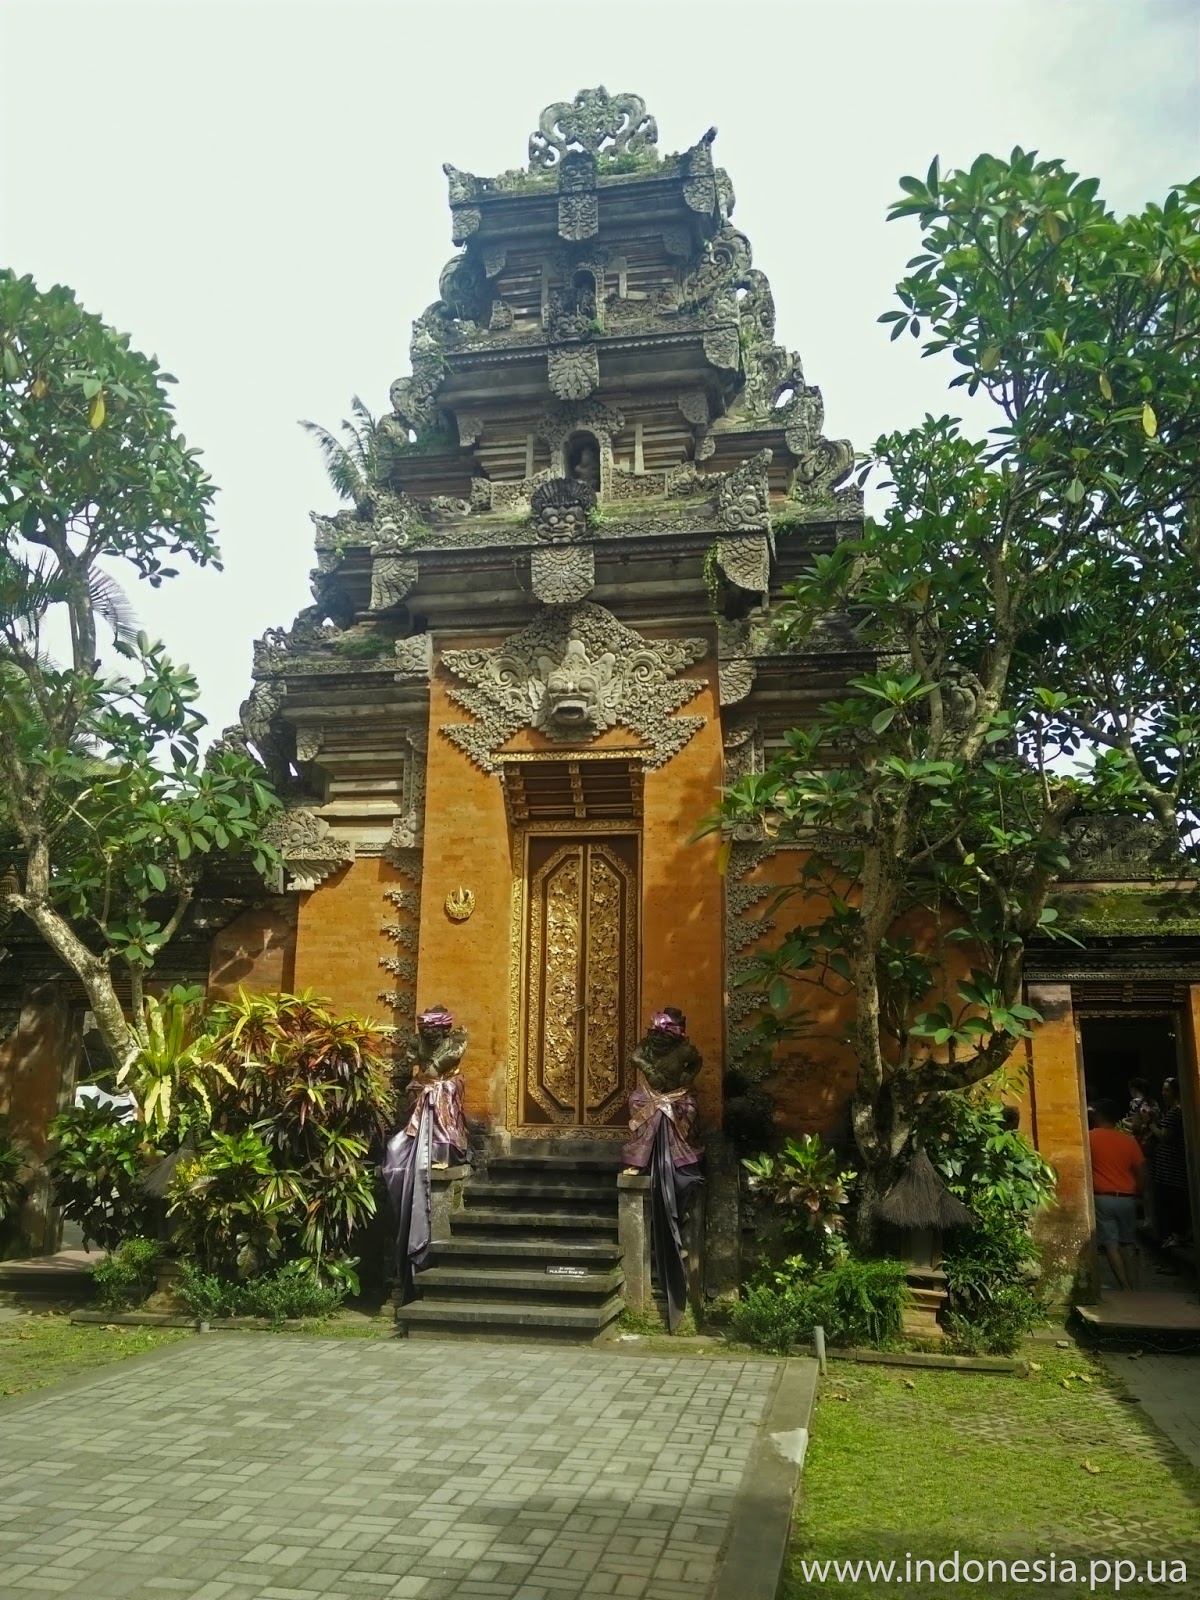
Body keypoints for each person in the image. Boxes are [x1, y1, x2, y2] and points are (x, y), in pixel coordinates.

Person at [1088, 1098, 1145, 1291]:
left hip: (1102, 1198)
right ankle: (1134, 1284)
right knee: (1128, 1242)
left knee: (1110, 1243)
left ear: (1098, 1115)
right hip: (1127, 1198)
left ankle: (1125, 1285)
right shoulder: (1128, 1142)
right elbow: (1141, 1170)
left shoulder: (1089, 1138)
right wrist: (1140, 1193)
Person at [1148, 1078, 1193, 1249]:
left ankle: (1177, 1235)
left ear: (1175, 1092)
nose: (1163, 1093)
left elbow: (1165, 1136)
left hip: (1172, 1169)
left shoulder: (1176, 1112)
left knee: (1173, 1203)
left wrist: (1151, 1125)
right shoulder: (1176, 1111)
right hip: (1171, 1167)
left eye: (1166, 1090)